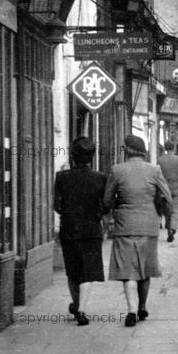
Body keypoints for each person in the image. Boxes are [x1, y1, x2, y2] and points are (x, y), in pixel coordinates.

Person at [104, 135, 172, 327]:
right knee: (146, 267)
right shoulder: (154, 170)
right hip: (148, 225)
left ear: (127, 150)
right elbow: (167, 196)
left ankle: (131, 310)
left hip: (125, 225)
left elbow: (107, 200)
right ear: (142, 151)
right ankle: (142, 306)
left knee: (128, 270)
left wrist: (119, 205)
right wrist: (160, 212)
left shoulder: (117, 170)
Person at [54, 137, 107, 326]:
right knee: (88, 272)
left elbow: (57, 206)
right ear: (92, 157)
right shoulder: (100, 177)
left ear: (73, 156)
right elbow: (106, 205)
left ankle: (76, 305)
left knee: (73, 271)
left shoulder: (62, 177)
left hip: (69, 230)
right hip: (92, 230)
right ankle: (82, 309)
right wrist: (97, 215)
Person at [157, 141, 178, 242]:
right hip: (176, 187)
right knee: (175, 210)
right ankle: (173, 228)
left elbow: (158, 174)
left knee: (166, 211)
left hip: (164, 189)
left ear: (165, 148)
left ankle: (168, 226)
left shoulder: (160, 160)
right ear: (173, 148)